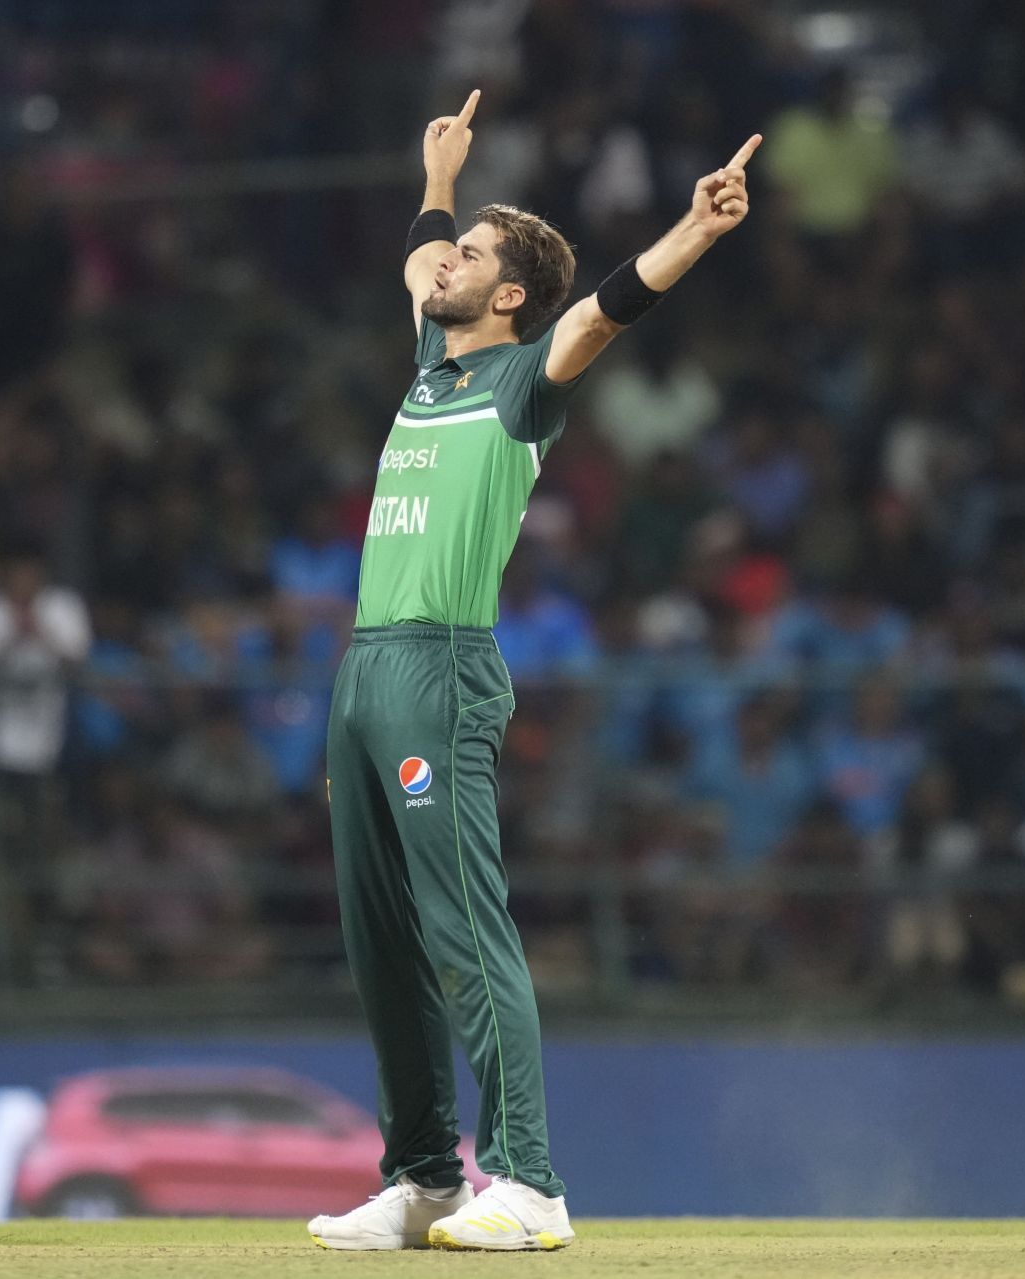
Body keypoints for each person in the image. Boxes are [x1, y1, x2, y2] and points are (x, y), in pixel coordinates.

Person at [307, 90, 756, 1253]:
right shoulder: (431, 359)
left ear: (506, 294)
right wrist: (438, 176)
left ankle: (529, 1183)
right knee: (380, 936)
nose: (438, 266)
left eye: (465, 257)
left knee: (465, 928)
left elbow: (608, 308)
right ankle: (422, 1179)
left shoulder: (522, 384)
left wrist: (697, 230)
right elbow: (416, 264)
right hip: (362, 672)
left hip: (440, 671)